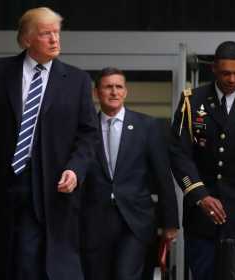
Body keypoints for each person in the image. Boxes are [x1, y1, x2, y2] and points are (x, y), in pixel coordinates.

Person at [0, 7, 98, 280]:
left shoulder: (77, 80)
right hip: (2, 183)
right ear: (26, 39)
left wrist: (75, 169)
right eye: (46, 34)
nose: (55, 40)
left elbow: (88, 135)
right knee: (1, 260)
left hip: (52, 186)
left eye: (57, 33)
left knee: (36, 261)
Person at [169, 41, 235, 280]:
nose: (232, 79)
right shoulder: (192, 102)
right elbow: (178, 153)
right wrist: (200, 195)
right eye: (226, 73)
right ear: (214, 68)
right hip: (202, 214)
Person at [81, 67, 179, 280]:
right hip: (95, 220)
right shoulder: (86, 128)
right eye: (108, 87)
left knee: (126, 275)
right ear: (96, 93)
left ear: (125, 92)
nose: (114, 92)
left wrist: (170, 222)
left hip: (136, 220)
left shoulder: (147, 126)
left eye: (119, 87)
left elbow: (162, 175)